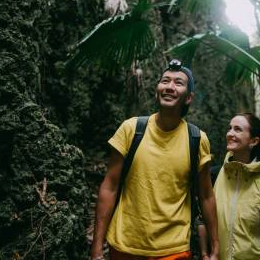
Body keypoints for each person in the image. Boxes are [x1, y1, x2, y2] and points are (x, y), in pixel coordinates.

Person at [90, 60, 219, 260]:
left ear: (189, 98)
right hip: (126, 246)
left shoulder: (197, 139)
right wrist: (97, 248)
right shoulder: (131, 129)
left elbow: (206, 196)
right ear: (156, 90)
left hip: (174, 249)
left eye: (178, 83)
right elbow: (110, 186)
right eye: (165, 81)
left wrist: (215, 246)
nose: (169, 86)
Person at [199, 113, 260, 260]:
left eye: (237, 129)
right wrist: (204, 254)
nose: (230, 133)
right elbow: (203, 220)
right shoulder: (214, 176)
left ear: (253, 141)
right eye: (229, 128)